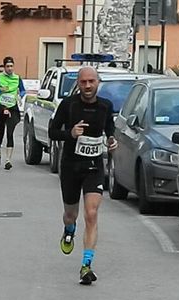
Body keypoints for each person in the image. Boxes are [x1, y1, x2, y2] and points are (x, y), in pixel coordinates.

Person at [48, 66, 118, 285]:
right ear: (78, 84)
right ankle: (69, 229)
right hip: (71, 166)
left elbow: (110, 130)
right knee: (71, 214)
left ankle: (86, 265)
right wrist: (70, 133)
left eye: (91, 82)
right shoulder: (68, 105)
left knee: (91, 213)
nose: (88, 86)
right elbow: (52, 132)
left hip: (94, 167)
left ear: (98, 83)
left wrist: (112, 141)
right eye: (83, 82)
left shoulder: (106, 106)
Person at [0, 56, 26, 169]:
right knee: (1, 133)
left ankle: (8, 160)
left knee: (10, 133)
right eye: (7, 66)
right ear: (4, 67)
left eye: (11, 66)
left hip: (12, 107)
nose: (10, 68)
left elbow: (23, 90)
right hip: (1, 108)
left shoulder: (17, 78)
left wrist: (20, 95)